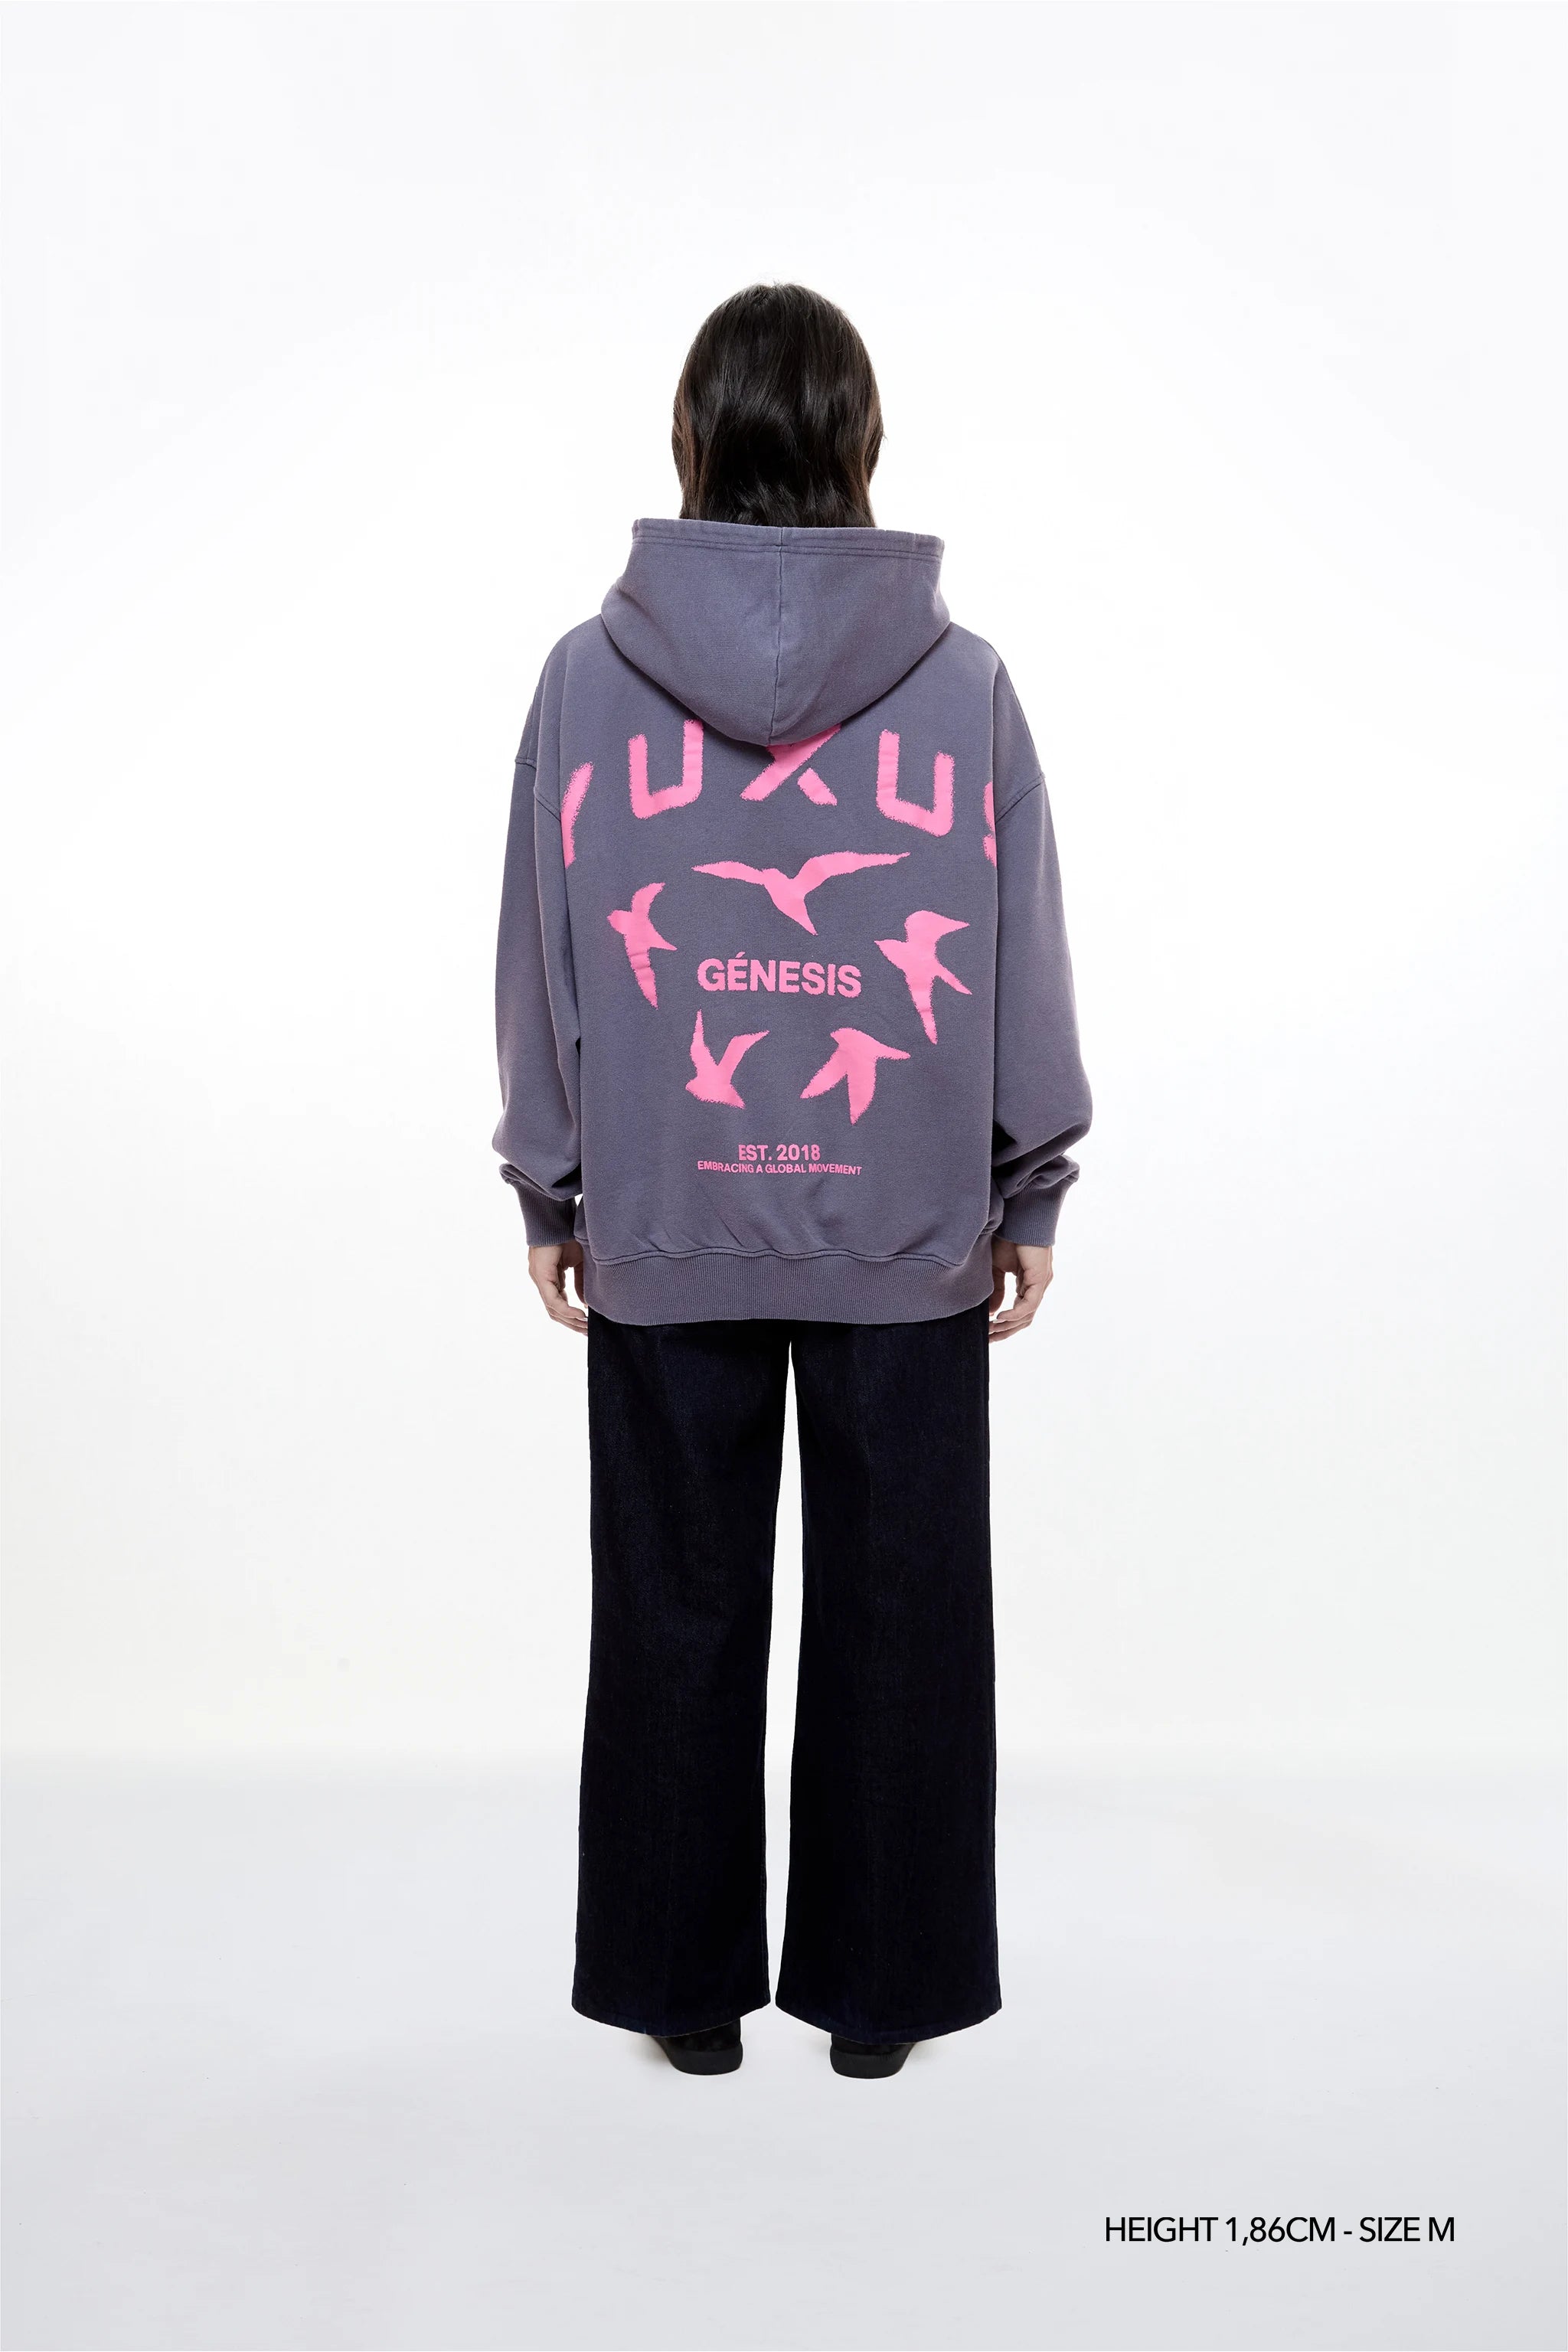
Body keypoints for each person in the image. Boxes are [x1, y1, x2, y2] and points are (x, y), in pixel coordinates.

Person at [492, 284, 1091, 2081]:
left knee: (670, 1608)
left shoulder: (585, 682)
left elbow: (543, 949)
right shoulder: (964, 687)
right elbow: (1017, 949)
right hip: (903, 1224)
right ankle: (881, 1996)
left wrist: (552, 1181)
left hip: (667, 1212)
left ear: (689, 440)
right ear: (859, 444)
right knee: (905, 1620)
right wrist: (1028, 1181)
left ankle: (681, 1994)